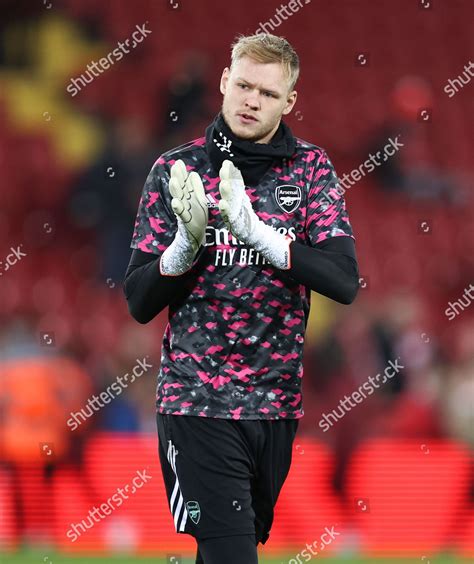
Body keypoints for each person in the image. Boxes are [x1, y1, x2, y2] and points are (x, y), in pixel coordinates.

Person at [123, 33, 359, 564]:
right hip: (197, 401)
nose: (252, 100)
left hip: (275, 405)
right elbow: (138, 300)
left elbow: (344, 282)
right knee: (232, 554)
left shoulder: (310, 170)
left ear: (289, 102)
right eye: (244, 85)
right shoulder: (176, 172)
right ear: (225, 82)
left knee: (231, 550)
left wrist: (262, 235)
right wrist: (185, 248)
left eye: (268, 94)